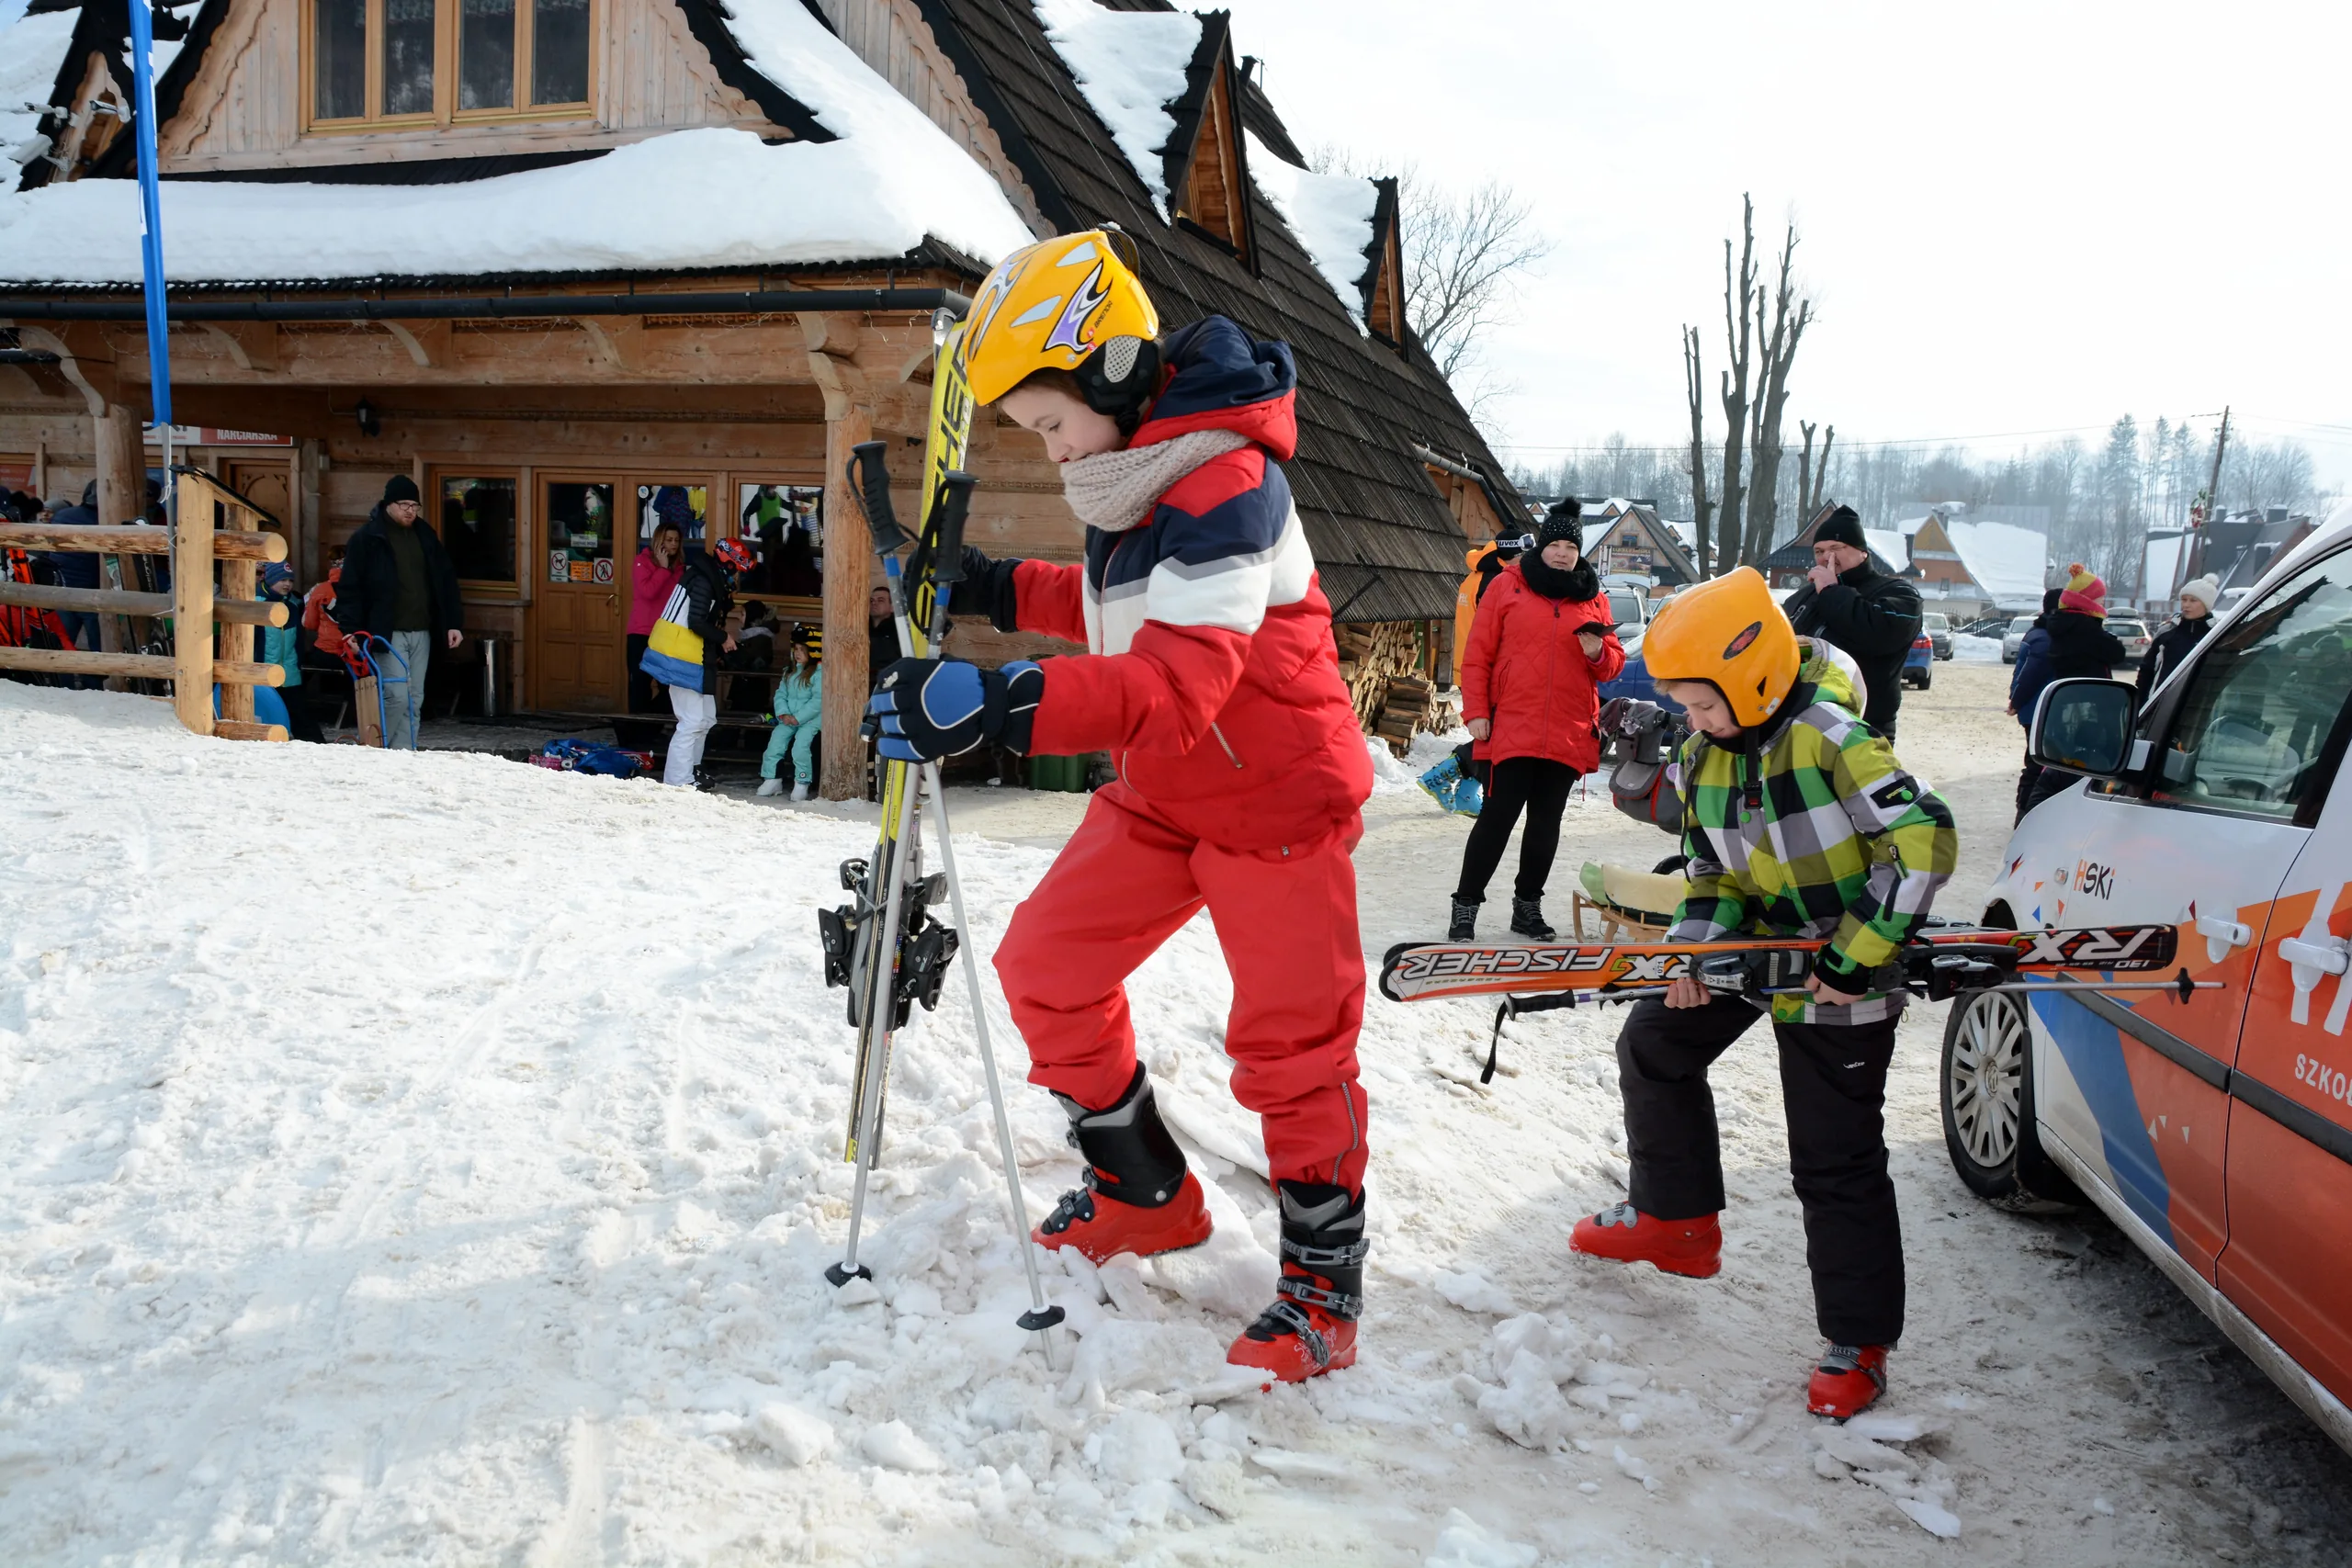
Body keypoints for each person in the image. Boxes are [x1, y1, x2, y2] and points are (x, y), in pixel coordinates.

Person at [866, 230, 1373, 1382]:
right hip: (1165, 789)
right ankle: (1148, 1194)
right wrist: (996, 587)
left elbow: (1176, 681)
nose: (1050, 451)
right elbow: (1117, 608)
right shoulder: (1139, 470)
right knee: (1046, 966)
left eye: (1050, 423)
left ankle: (1321, 1288)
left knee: (1291, 1049)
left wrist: (997, 702)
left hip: (1273, 802)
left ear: (1108, 369)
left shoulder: (1227, 481)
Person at [1566, 568, 1956, 1421]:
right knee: (1654, 1042)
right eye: (1684, 706)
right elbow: (1710, 871)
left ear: (1753, 676)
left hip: (1843, 965)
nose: (1693, 721)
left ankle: (1858, 1340)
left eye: (1703, 704)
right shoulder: (1703, 756)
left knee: (1833, 1154)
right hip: (1756, 947)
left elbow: (1924, 839)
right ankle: (1676, 1220)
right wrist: (1692, 957)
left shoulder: (1833, 739)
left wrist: (1854, 956)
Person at [1448, 498, 1623, 941]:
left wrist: (1597, 652)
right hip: (1512, 723)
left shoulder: (1593, 597)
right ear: (1542, 547)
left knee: (1546, 823)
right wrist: (1476, 712)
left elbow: (1613, 665)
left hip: (1568, 727)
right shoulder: (1507, 586)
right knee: (1497, 817)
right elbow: (1477, 655)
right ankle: (1465, 906)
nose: (1563, 553)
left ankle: (1527, 908)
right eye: (1556, 545)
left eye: (1571, 547)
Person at [332, 476, 464, 750]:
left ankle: (404, 753)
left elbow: (445, 581)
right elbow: (350, 588)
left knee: (414, 698)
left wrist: (453, 622)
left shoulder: (425, 535)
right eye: (404, 504)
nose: (410, 510)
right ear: (388, 504)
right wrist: (350, 629)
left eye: (415, 505)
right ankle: (374, 749)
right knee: (396, 695)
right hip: (386, 631)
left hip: (423, 629)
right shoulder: (367, 538)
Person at [1780, 504, 1920, 738]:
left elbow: (1879, 634)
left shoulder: (1898, 594)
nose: (1826, 557)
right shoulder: (1802, 597)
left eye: (1836, 548)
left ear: (1862, 551)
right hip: (1794, 726)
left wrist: (1831, 592)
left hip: (1862, 728)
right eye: (1819, 551)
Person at [2008, 565, 2127, 819]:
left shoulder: (2059, 627)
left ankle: (2029, 816)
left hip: (2064, 706)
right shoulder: (2085, 629)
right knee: (2076, 766)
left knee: (2049, 764)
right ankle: (2039, 816)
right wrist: (2018, 700)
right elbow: (2116, 652)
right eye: (2099, 599)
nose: (2103, 604)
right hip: (2087, 707)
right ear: (2087, 601)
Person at [642, 536, 753, 787]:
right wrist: (723, 638)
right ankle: (677, 781)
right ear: (727, 564)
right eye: (736, 570)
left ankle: (692, 771)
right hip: (679, 656)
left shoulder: (707, 577)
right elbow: (696, 622)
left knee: (706, 719)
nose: (736, 577)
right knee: (691, 722)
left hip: (694, 656)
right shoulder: (704, 580)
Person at [259, 563, 323, 742]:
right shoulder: (257, 603)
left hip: (289, 671)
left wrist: (298, 665)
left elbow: (298, 642)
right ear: (270, 579)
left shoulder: (294, 605)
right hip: (264, 672)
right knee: (267, 716)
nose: (287, 584)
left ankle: (319, 747)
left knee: (301, 714)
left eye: (290, 580)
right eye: (282, 579)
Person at [757, 626, 822, 799]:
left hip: (810, 720)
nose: (798, 653)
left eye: (803, 650)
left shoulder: (819, 673)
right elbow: (781, 694)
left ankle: (802, 781)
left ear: (814, 651)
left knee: (801, 747)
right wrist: (783, 714)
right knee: (775, 744)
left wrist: (798, 717)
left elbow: (818, 700)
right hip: (788, 719)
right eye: (796, 649)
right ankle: (772, 779)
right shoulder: (790, 672)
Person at [628, 521, 685, 714]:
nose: (674, 544)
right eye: (669, 540)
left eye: (676, 540)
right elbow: (647, 592)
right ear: (659, 541)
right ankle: (636, 727)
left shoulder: (679, 568)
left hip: (666, 633)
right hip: (641, 631)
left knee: (668, 686)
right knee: (640, 683)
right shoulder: (642, 561)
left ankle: (653, 725)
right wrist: (663, 569)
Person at [2136, 573, 2219, 705]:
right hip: (2161, 702)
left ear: (2206, 604)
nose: (2186, 605)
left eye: (2193, 601)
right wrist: (2139, 702)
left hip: (2200, 704)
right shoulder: (2167, 632)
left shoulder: (2216, 634)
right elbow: (2147, 670)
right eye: (2184, 600)